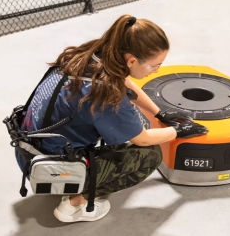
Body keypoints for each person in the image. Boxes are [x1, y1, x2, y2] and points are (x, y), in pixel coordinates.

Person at [15, 14, 208, 223]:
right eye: (154, 65)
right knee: (150, 155)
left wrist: (159, 113)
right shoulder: (105, 94)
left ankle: (74, 184)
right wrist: (178, 131)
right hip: (52, 168)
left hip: (28, 150)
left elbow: (125, 82)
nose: (156, 70)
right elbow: (142, 139)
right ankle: (75, 204)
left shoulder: (89, 56)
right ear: (132, 60)